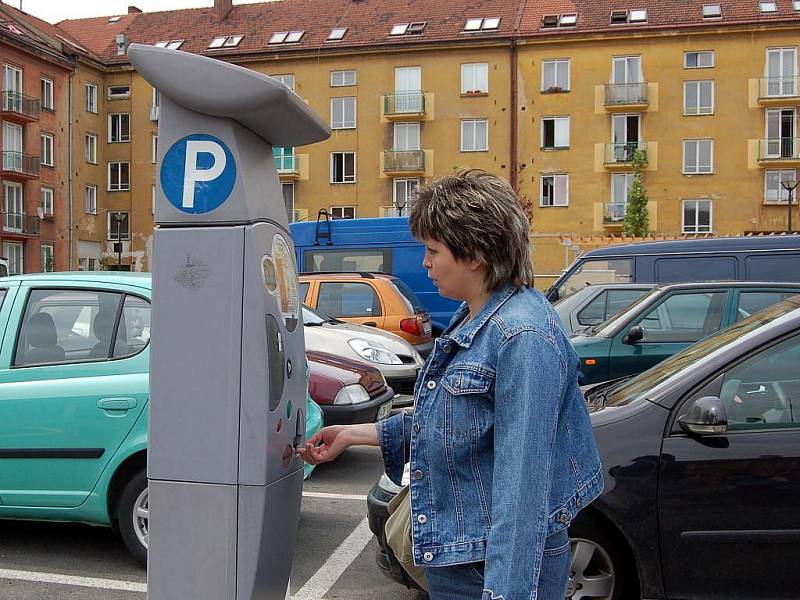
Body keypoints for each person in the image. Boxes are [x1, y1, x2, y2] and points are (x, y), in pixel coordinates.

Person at [299, 169, 602, 599]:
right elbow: (454, 429)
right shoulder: (477, 315)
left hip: (484, 572)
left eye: (432, 250)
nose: (425, 262)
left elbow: (523, 495)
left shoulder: (522, 338)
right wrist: (350, 434)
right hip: (464, 560)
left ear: (475, 253)